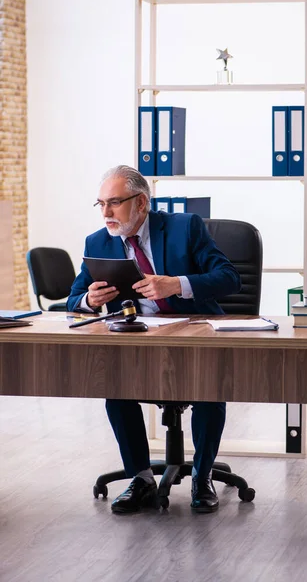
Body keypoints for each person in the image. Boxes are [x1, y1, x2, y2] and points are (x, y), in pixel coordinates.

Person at [67, 165, 241, 514]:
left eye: (114, 203)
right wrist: (91, 300)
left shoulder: (184, 227)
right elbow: (73, 302)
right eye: (100, 203)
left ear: (142, 202)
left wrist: (177, 284)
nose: (106, 213)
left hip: (193, 336)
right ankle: (142, 478)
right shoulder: (98, 242)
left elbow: (229, 278)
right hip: (137, 342)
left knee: (209, 389)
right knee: (116, 387)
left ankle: (202, 476)